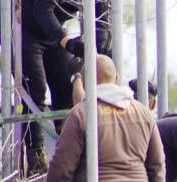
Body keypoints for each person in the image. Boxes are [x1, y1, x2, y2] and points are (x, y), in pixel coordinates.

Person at [20, 0, 111, 173]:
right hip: (25, 27)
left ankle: (69, 151)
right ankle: (35, 159)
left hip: (53, 31)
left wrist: (99, 47)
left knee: (66, 88)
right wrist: (68, 42)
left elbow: (102, 21)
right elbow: (41, 10)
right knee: (36, 89)